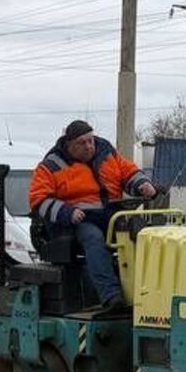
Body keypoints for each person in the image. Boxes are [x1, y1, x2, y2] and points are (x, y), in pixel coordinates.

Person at [28, 120, 156, 308]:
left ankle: (148, 290)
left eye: (90, 141)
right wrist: (67, 212)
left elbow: (127, 172)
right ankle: (111, 295)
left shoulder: (106, 152)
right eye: (82, 143)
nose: (89, 146)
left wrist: (142, 184)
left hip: (111, 215)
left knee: (140, 232)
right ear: (69, 145)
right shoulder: (51, 166)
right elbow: (38, 200)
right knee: (93, 238)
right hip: (75, 223)